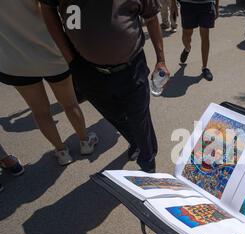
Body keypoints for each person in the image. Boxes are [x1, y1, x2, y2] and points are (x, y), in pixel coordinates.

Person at [39, 0, 171, 173]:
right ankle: (137, 142)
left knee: (138, 117)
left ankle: (148, 165)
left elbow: (152, 18)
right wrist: (70, 59)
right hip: (87, 71)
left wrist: (160, 60)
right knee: (116, 117)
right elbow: (48, 9)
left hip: (131, 69)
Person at [0, 0, 98, 166]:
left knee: (40, 111)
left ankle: (61, 152)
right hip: (51, 53)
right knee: (70, 104)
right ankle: (85, 141)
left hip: (14, 60)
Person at [179, 0, 219, 81]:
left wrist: (216, 6)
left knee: (205, 36)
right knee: (186, 35)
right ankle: (187, 48)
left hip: (206, 4)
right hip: (187, 4)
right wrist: (173, 5)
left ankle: (205, 67)